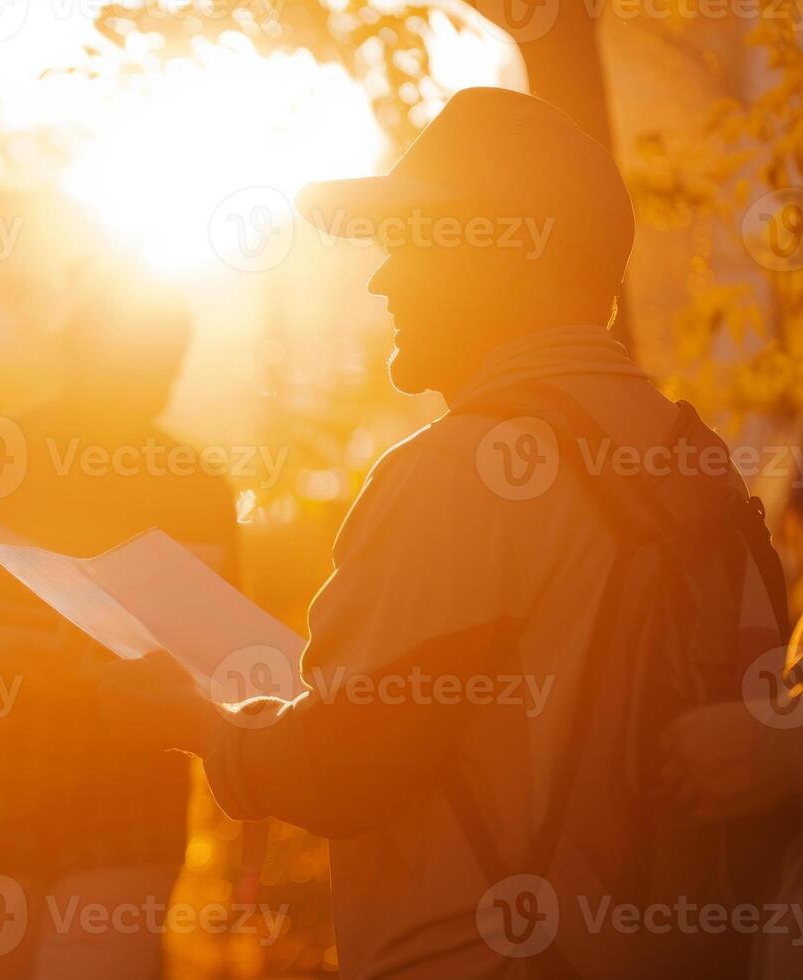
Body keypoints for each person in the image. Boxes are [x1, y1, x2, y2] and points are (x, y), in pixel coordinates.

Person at [98, 88, 789, 977]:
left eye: (407, 241)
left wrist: (193, 720)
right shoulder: (692, 457)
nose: (381, 277)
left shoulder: (455, 469)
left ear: (500, 259)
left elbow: (344, 765)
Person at [0, 279, 238, 979]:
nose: (154, 387)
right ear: (79, 353)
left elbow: (227, 655)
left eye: (167, 368)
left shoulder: (193, 485)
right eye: (139, 367)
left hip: (122, 786)